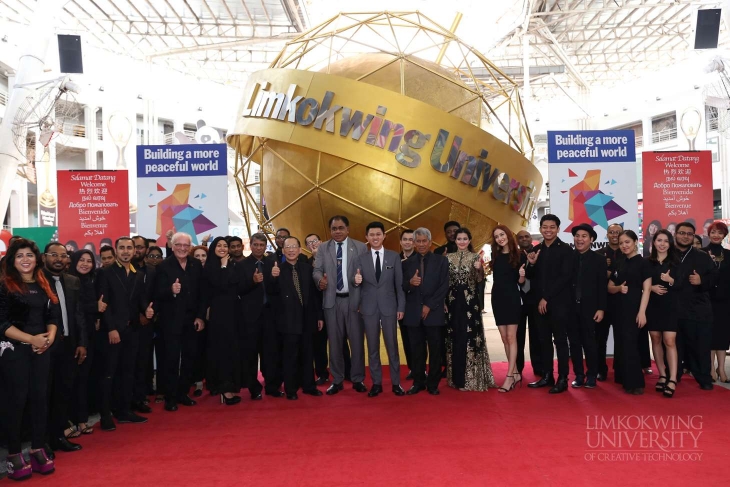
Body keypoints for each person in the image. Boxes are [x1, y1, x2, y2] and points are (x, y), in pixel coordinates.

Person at [0, 238, 61, 479]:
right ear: (12, 260)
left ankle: (37, 447)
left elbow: (53, 315)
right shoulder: (5, 285)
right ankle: (14, 453)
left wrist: (48, 338)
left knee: (40, 400)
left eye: (29, 255)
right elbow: (2, 323)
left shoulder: (43, 283)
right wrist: (32, 339)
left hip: (41, 350)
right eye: (19, 256)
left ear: (37, 259)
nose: (25, 259)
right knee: (16, 402)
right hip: (14, 351)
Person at [97, 237, 153, 430]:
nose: (126, 251)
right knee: (109, 374)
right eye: (122, 248)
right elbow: (104, 304)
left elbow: (141, 299)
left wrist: (146, 309)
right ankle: (105, 415)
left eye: (130, 248)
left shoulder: (138, 273)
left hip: (132, 330)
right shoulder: (105, 272)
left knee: (128, 373)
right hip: (113, 331)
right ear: (116, 251)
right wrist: (111, 328)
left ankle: (124, 411)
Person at [313, 215, 368, 395]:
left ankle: (358, 379)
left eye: (341, 228)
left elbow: (367, 273)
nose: (337, 231)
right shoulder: (323, 248)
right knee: (335, 343)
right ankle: (337, 380)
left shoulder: (360, 247)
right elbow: (317, 270)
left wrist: (360, 281)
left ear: (348, 229)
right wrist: (320, 280)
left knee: (357, 342)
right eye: (334, 228)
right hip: (331, 300)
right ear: (330, 230)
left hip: (354, 302)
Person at [42, 243, 87, 453]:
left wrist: (81, 342)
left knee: (63, 392)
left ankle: (59, 436)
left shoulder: (73, 281)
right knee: (43, 395)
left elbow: (78, 314)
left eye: (63, 255)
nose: (59, 259)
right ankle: (41, 443)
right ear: (44, 258)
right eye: (54, 255)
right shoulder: (36, 280)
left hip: (69, 345)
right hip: (44, 345)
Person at [154, 232, 206, 411]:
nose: (183, 248)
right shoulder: (163, 266)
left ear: (190, 247)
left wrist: (200, 316)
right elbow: (156, 294)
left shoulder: (196, 264)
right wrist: (171, 290)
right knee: (171, 360)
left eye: (186, 245)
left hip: (192, 320)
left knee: (189, 358)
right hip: (171, 322)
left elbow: (202, 294)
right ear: (172, 246)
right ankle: (170, 397)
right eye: (179, 245)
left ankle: (183, 393)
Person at [267, 237, 324, 400]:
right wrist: (273, 277)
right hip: (287, 321)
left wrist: (319, 316)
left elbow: (314, 296)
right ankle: (291, 389)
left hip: (307, 319)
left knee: (308, 354)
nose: (291, 250)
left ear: (300, 250)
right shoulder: (277, 269)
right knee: (290, 356)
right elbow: (271, 294)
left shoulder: (307, 269)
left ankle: (309, 386)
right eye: (288, 247)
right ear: (283, 250)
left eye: (294, 246)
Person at [353, 222, 406, 396]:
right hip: (368, 308)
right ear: (366, 238)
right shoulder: (360, 258)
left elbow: (399, 285)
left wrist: (401, 306)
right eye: (371, 235)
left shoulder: (393, 257)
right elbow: (356, 283)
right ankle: (376, 383)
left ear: (384, 236)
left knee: (392, 346)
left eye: (378, 234)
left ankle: (396, 383)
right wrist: (356, 281)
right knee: (373, 347)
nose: (375, 237)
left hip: (390, 307)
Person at [526, 214, 574, 394]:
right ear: (540, 229)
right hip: (540, 305)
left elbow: (565, 277)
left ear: (558, 229)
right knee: (543, 340)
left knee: (560, 341)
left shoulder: (566, 250)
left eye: (552, 227)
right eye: (545, 227)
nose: (548, 230)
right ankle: (547, 376)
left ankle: (563, 378)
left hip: (559, 304)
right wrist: (531, 264)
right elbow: (531, 277)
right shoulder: (537, 250)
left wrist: (546, 298)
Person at [402, 227, 449, 395]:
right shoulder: (406, 264)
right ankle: (418, 381)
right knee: (416, 350)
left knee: (435, 350)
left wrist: (429, 305)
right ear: (414, 243)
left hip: (434, 312)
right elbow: (401, 287)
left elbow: (444, 286)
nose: (421, 244)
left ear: (430, 242)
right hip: (413, 313)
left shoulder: (441, 261)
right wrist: (410, 283)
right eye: (418, 241)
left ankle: (433, 383)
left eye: (424, 241)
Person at [447, 227, 495, 391]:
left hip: (470, 304)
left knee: (471, 336)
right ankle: (456, 379)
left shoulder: (476, 257)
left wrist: (478, 269)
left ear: (469, 241)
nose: (461, 241)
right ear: (455, 240)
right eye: (459, 239)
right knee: (455, 336)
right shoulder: (448, 258)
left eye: (464, 239)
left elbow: (480, 281)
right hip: (453, 303)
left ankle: (472, 379)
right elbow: (445, 282)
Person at [237, 232, 283, 399]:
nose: (258, 248)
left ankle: (272, 386)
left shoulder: (272, 262)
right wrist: (253, 282)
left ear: (265, 247)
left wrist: (275, 278)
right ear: (250, 245)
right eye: (255, 245)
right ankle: (254, 389)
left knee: (271, 353)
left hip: (270, 315)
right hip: (250, 316)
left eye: (261, 245)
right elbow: (239, 289)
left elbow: (278, 291)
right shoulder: (242, 265)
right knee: (250, 354)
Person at [673, 222, 717, 390]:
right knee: (675, 346)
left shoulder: (702, 256)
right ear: (675, 235)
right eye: (682, 233)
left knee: (700, 346)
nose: (685, 236)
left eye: (689, 234)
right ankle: (673, 376)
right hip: (674, 309)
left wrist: (702, 281)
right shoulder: (668, 255)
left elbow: (714, 278)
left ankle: (704, 378)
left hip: (698, 310)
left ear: (693, 236)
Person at [608, 230, 651, 395]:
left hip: (635, 309)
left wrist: (642, 312)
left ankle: (635, 383)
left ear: (635, 242)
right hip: (619, 309)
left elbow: (646, 290)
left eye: (627, 242)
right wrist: (619, 288)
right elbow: (609, 287)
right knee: (621, 343)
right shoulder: (619, 262)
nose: (624, 246)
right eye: (621, 243)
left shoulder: (643, 263)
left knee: (631, 344)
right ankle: (622, 377)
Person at [203, 237, 242, 405]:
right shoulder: (210, 266)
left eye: (225, 246)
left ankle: (230, 386)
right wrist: (224, 265)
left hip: (233, 312)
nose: (223, 248)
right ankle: (224, 389)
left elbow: (237, 285)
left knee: (232, 349)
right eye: (219, 245)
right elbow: (222, 284)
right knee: (222, 350)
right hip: (219, 314)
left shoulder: (233, 264)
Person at [567, 224, 606, 389]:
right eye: (577, 236)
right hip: (570, 308)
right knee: (574, 343)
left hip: (590, 308)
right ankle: (579, 375)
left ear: (591, 240)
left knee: (590, 343)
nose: (580, 239)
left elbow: (602, 286)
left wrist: (601, 308)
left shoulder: (599, 259)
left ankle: (592, 375)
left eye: (584, 236)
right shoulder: (569, 257)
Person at [68, 250, 99, 436]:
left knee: (84, 379)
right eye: (82, 260)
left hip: (90, 336)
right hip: (73, 337)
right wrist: (95, 307)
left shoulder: (91, 281)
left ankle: (81, 419)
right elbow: (75, 309)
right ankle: (71, 420)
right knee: (71, 380)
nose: (86, 264)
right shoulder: (69, 281)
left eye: (89, 261)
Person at [646, 230, 681, 398]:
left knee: (669, 340)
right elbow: (640, 283)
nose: (662, 244)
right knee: (655, 339)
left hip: (670, 306)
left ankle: (673, 378)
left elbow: (683, 285)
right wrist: (650, 288)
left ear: (670, 243)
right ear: (653, 242)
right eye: (659, 240)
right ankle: (662, 375)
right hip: (652, 306)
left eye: (665, 241)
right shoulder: (647, 263)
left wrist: (671, 280)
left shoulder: (676, 262)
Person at [487, 225, 522, 392]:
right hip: (497, 297)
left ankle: (509, 376)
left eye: (502, 234)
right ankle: (515, 372)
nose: (500, 238)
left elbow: (521, 282)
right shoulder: (496, 255)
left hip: (512, 298)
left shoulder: (518, 255)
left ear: (508, 235)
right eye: (496, 236)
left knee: (511, 336)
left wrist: (522, 276)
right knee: (503, 337)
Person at [595, 223, 623, 381]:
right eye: (611, 232)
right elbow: (593, 281)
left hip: (621, 302)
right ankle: (601, 369)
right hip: (602, 303)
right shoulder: (599, 254)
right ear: (607, 234)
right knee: (600, 339)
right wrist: (602, 271)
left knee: (621, 338)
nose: (614, 235)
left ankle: (620, 369)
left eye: (617, 232)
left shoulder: (627, 252)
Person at [305, 233, 334, 385]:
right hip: (318, 309)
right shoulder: (306, 264)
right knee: (319, 345)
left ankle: (345, 371)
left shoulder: (333, 258)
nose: (313, 244)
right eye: (309, 243)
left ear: (321, 242)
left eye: (315, 241)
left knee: (339, 343)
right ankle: (322, 373)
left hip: (336, 306)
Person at [704, 221, 730, 383]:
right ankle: (711, 368)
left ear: (724, 235)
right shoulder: (701, 253)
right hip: (706, 300)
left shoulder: (729, 254)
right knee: (709, 334)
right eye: (713, 232)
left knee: (722, 334)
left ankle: (721, 368)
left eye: (719, 233)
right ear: (709, 234)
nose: (716, 235)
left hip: (725, 300)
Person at [515, 229, 542, 379]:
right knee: (518, 336)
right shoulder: (513, 256)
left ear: (531, 238)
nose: (524, 239)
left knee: (536, 334)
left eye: (526, 236)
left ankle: (538, 367)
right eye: (521, 237)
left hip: (535, 299)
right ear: (517, 240)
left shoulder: (540, 253)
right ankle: (517, 368)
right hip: (518, 300)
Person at [189, 244, 209, 397]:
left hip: (214, 318)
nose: (201, 259)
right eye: (197, 256)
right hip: (195, 318)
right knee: (196, 350)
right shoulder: (190, 274)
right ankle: (197, 381)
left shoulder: (212, 272)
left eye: (203, 256)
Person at [398, 229, 416, 379]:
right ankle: (412, 368)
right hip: (402, 306)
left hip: (417, 304)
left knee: (419, 339)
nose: (408, 242)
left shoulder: (421, 259)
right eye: (405, 239)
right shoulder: (394, 259)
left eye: (411, 239)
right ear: (400, 242)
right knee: (406, 338)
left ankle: (421, 368)